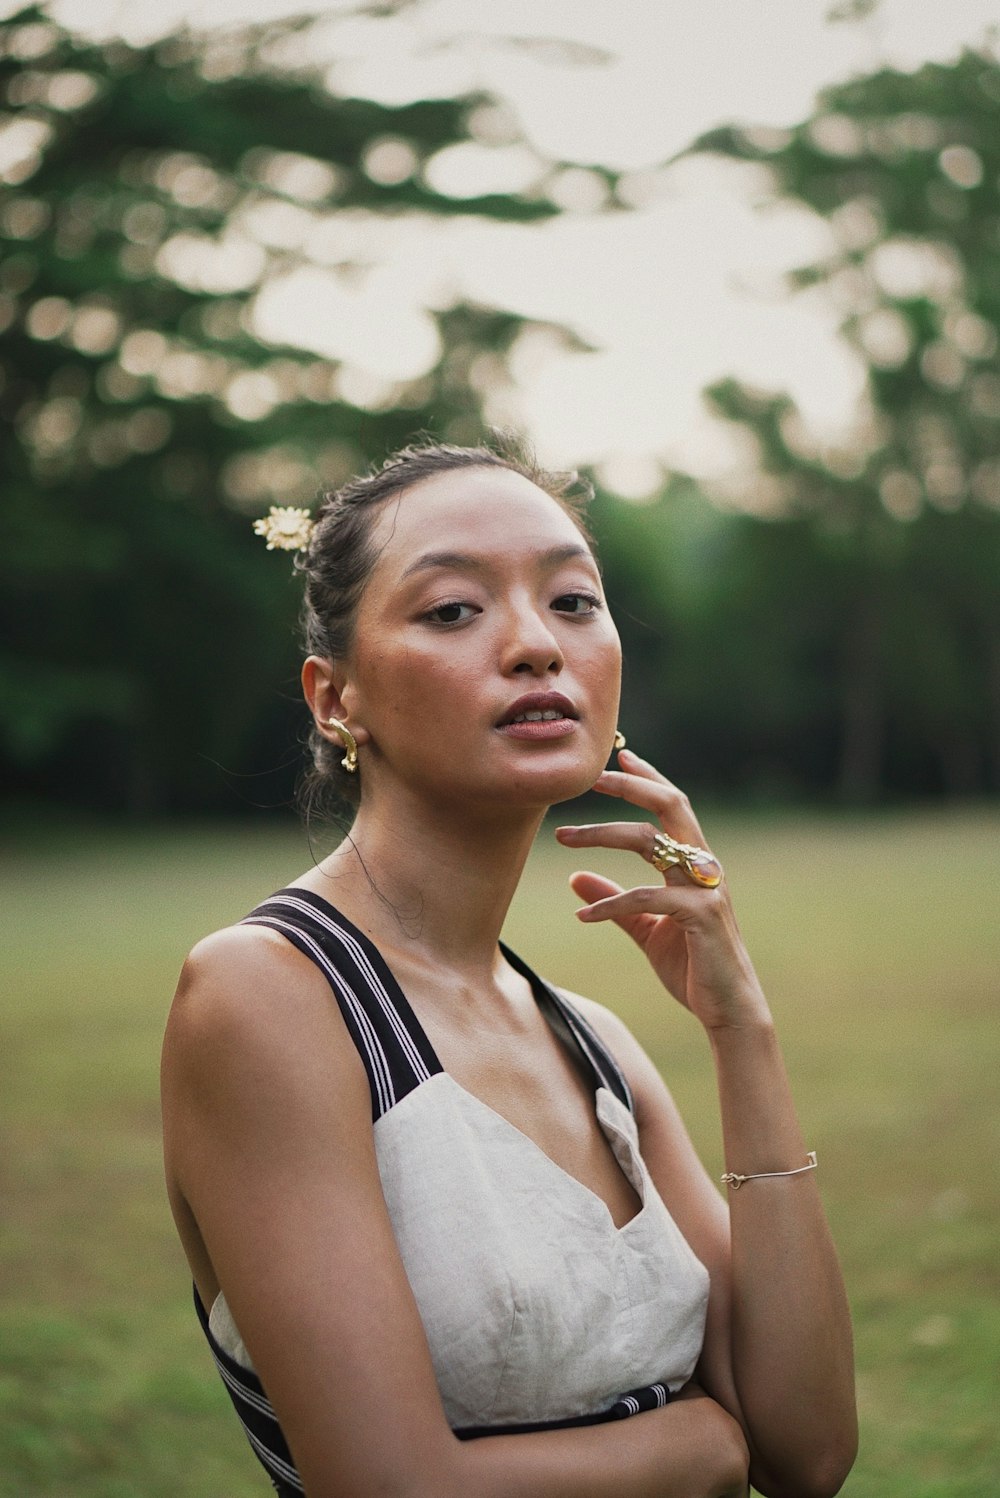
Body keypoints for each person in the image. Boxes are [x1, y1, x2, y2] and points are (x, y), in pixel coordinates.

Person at [161, 438, 857, 1498]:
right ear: (334, 699)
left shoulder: (592, 1041)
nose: (536, 644)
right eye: (453, 610)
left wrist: (740, 1031)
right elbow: (390, 1485)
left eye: (573, 600)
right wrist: (700, 1448)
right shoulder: (268, 994)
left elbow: (806, 1450)